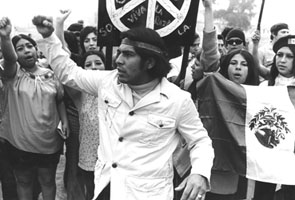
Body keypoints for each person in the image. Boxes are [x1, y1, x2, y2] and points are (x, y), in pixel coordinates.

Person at [33, 15, 214, 200]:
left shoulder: (177, 100)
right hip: (107, 186)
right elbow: (69, 73)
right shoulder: (107, 82)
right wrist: (49, 38)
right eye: (119, 52)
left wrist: (200, 173)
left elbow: (200, 141)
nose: (118, 60)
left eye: (128, 54)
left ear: (150, 62)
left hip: (148, 194)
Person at [0, 17, 69, 200]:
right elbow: (9, 59)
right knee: (23, 182)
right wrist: (6, 38)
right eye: (20, 48)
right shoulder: (11, 75)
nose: (26, 51)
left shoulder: (51, 74)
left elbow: (60, 99)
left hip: (49, 142)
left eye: (29, 46)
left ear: (36, 49)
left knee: (48, 182)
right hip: (20, 143)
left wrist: (65, 120)